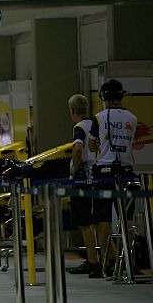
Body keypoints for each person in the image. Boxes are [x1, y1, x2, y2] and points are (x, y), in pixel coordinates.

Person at [89, 78, 138, 278]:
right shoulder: (133, 118)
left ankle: (106, 263)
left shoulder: (99, 117)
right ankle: (130, 262)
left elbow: (92, 145)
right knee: (127, 219)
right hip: (126, 171)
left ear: (104, 97)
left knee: (102, 219)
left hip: (104, 172)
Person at [66, 93, 100, 275]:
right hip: (96, 175)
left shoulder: (79, 127)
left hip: (82, 177)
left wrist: (75, 167)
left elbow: (78, 148)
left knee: (83, 221)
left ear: (72, 110)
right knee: (98, 221)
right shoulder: (95, 124)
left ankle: (93, 260)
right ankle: (106, 258)